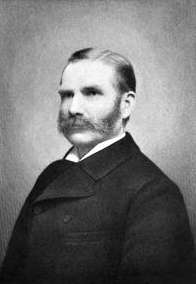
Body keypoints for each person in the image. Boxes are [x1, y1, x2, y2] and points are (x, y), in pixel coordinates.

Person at [0, 48, 195, 284]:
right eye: (67, 95)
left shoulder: (154, 193)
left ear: (126, 105)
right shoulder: (51, 175)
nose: (73, 108)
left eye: (91, 93)